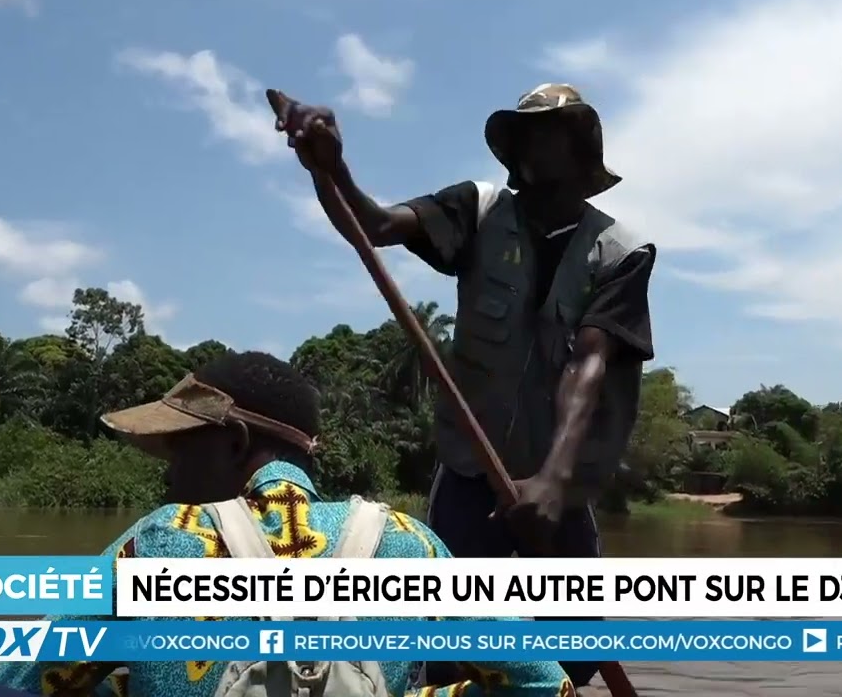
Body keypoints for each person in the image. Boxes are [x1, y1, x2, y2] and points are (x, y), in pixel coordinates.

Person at [269, 82, 656, 689]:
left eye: (548, 132)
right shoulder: (476, 211)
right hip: (470, 473)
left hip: (557, 488)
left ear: (581, 150)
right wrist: (331, 168)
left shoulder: (622, 252)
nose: (532, 144)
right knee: (444, 646)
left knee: (576, 657)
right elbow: (373, 225)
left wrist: (553, 483)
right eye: (524, 133)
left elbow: (588, 364)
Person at [0, 351, 574, 697]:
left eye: (180, 454)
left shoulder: (159, 542)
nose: (169, 481)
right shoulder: (409, 544)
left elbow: (13, 684)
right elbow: (546, 686)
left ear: (236, 442)